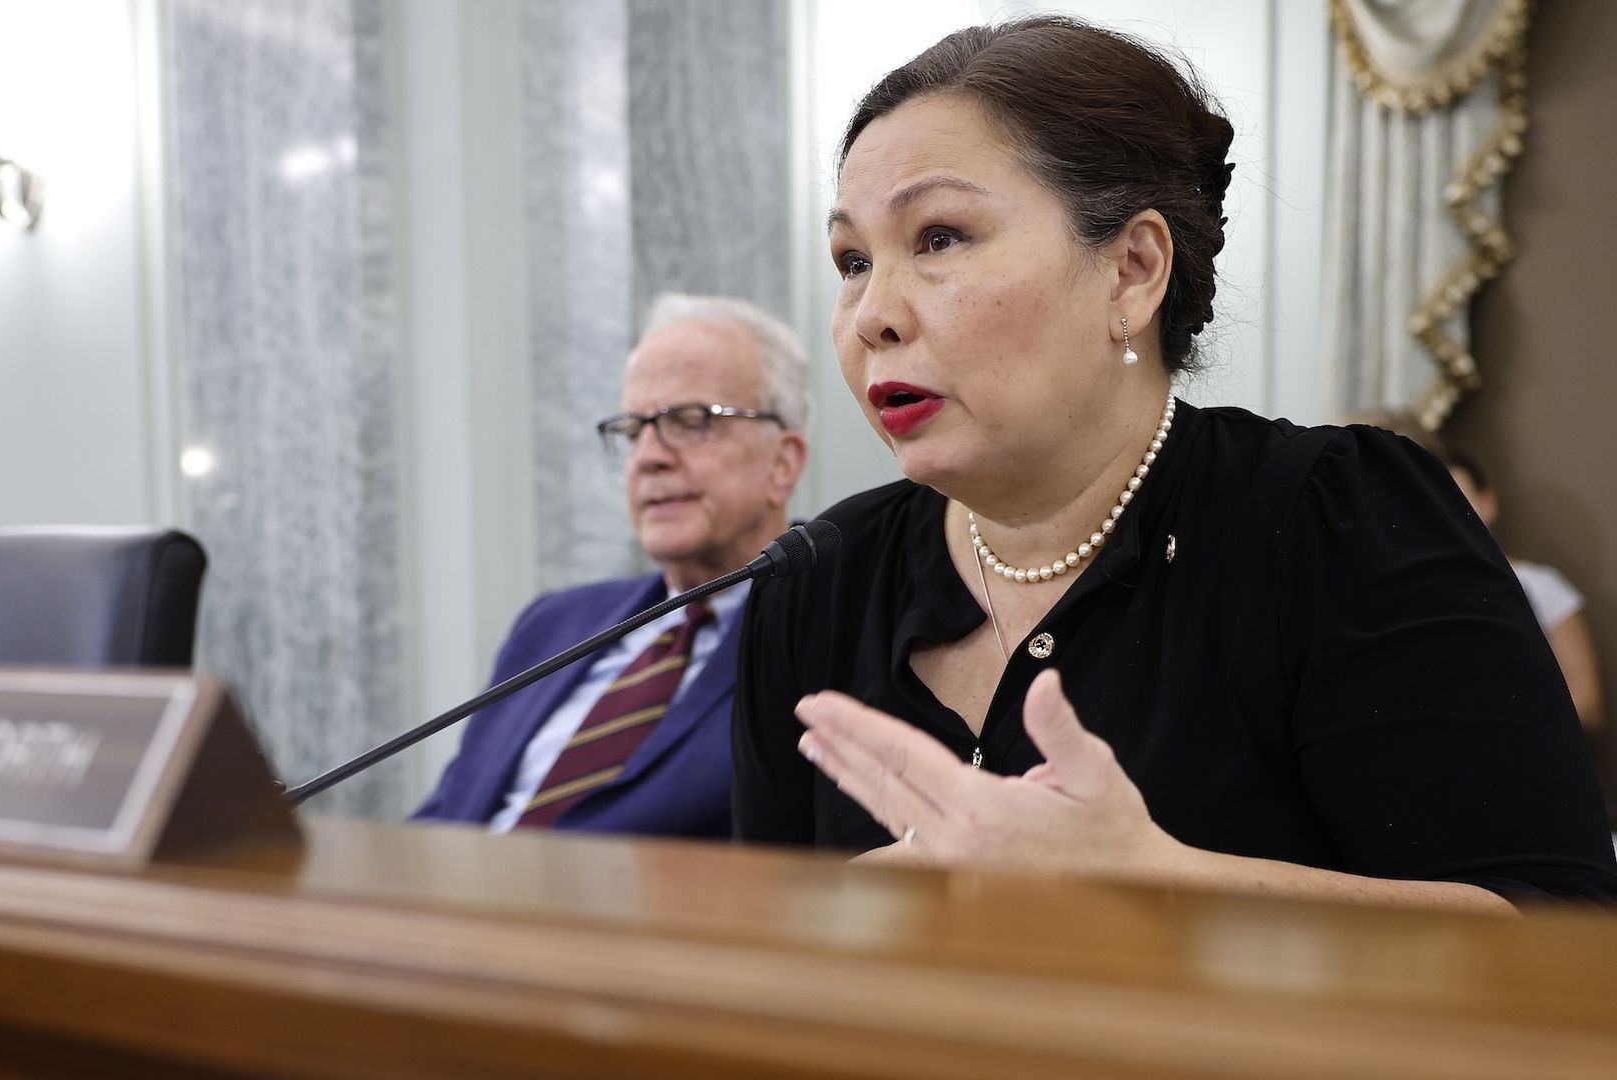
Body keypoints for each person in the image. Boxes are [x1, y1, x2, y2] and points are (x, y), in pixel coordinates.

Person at [732, 17, 1617, 907]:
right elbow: (767, 952)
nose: (870, 315)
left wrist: (1157, 887)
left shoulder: (1334, 522)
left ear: (1131, 270)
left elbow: (1555, 930)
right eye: (852, 259)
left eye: (939, 238)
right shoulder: (818, 580)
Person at [414, 294, 809, 837]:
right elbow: (446, 816)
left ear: (782, 463)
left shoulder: (831, 635)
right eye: (633, 430)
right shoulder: (552, 625)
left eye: (690, 421)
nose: (649, 456)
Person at [1446, 453, 1604, 732]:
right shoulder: (1432, 600)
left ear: (1488, 503)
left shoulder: (1541, 585)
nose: (1453, 518)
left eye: (1462, 501)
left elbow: (1588, 704)